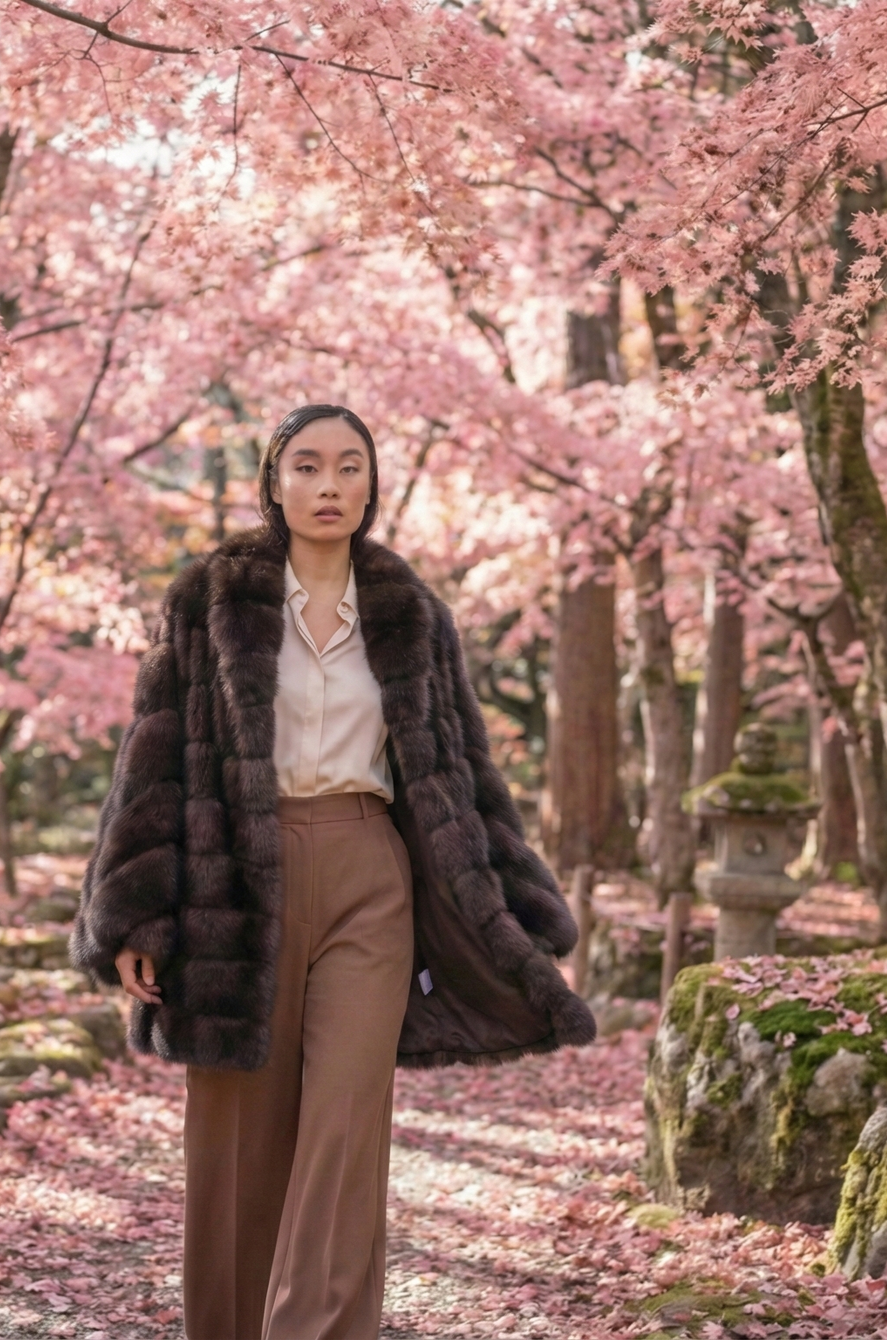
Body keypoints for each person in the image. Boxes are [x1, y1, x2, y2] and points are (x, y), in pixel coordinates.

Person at [72, 403, 598, 1340]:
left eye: (349, 468)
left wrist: (520, 908)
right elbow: (152, 757)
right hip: (235, 879)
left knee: (345, 1131)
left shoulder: (412, 616)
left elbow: (462, 768)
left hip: (369, 875)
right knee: (239, 1132)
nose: (329, 486)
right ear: (273, 482)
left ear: (372, 484)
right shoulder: (209, 599)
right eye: (307, 467)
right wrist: (136, 918)